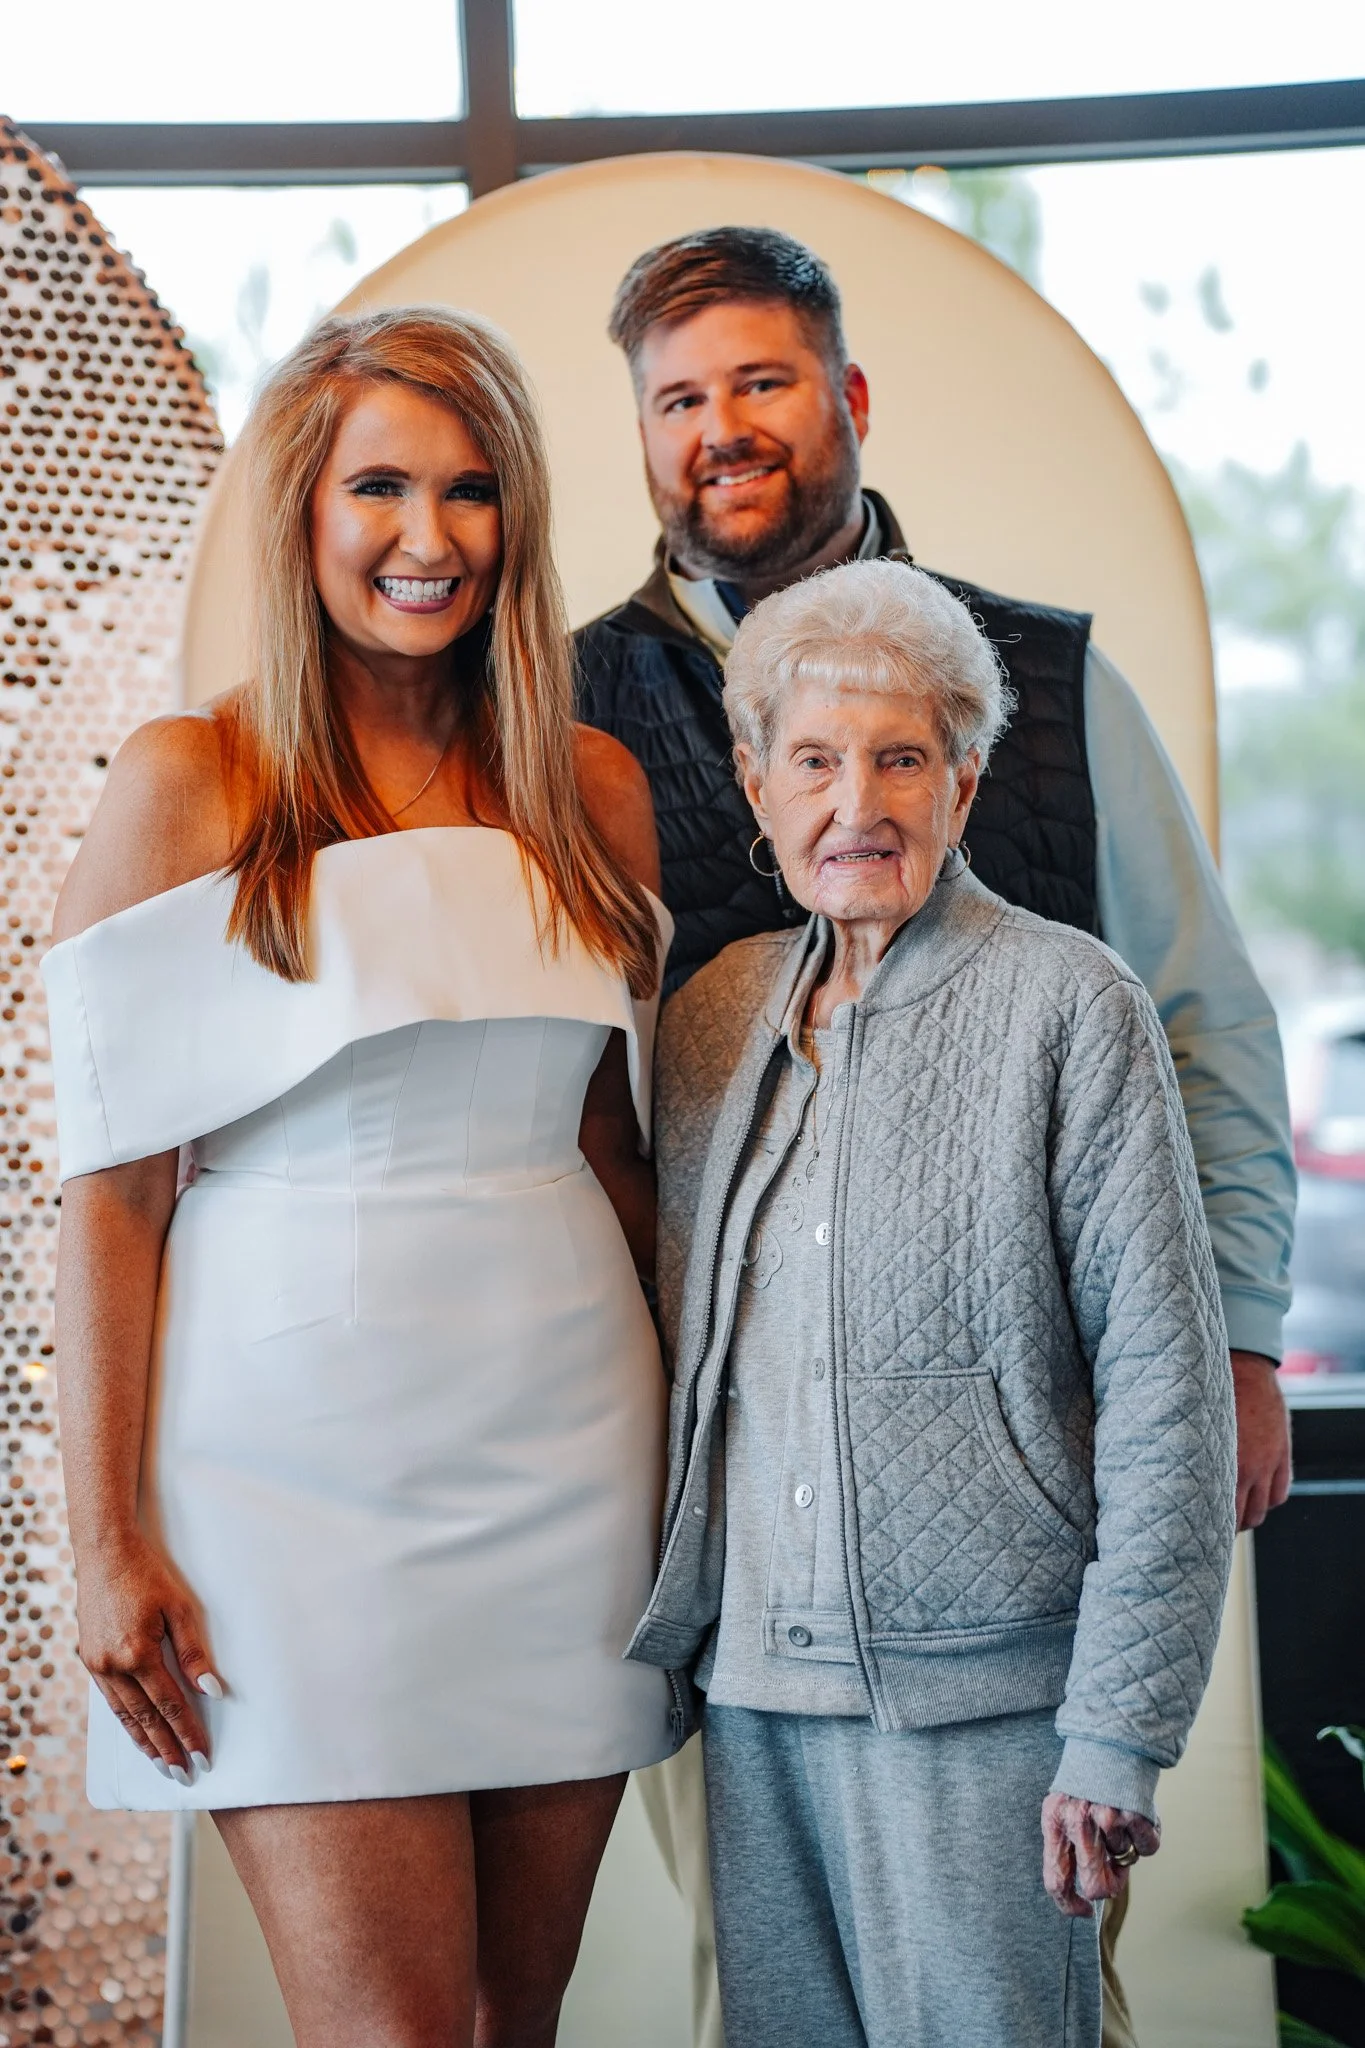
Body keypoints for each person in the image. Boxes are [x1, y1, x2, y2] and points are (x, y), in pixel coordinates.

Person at [574, 224, 1294, 2048]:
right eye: (681, 397)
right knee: (769, 1999)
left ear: (847, 399)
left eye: (761, 380)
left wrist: (1246, 1340)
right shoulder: (572, 710)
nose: (722, 427)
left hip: (996, 1588)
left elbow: (1209, 1018)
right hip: (749, 1601)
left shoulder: (1039, 689)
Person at [45, 307, 675, 2048]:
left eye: (471, 492)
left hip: (570, 1459)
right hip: (287, 1486)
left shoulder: (590, 794)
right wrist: (106, 1545)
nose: (428, 536)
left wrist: (725, 1463)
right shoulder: (196, 782)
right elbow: (110, 1196)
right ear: (303, 515)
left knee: (504, 2028)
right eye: (379, 486)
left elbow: (624, 1163)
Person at [627, 556, 1236, 2048]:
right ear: (759, 786)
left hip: (994, 1713)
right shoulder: (710, 1023)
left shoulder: (1069, 1006)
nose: (860, 805)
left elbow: (1171, 1393)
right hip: (758, 1705)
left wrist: (1116, 1732)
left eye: (903, 758)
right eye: (818, 762)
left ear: (966, 784)